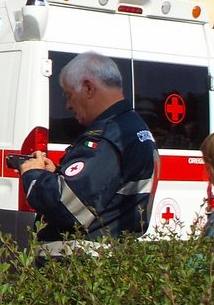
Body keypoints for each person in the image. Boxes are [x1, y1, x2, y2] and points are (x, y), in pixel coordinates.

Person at [17, 51, 157, 245]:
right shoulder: (131, 127)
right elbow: (101, 192)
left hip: (83, 263)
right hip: (106, 258)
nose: (67, 105)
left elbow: (67, 206)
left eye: (68, 95)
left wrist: (33, 175)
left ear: (88, 88)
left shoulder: (109, 136)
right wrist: (55, 175)